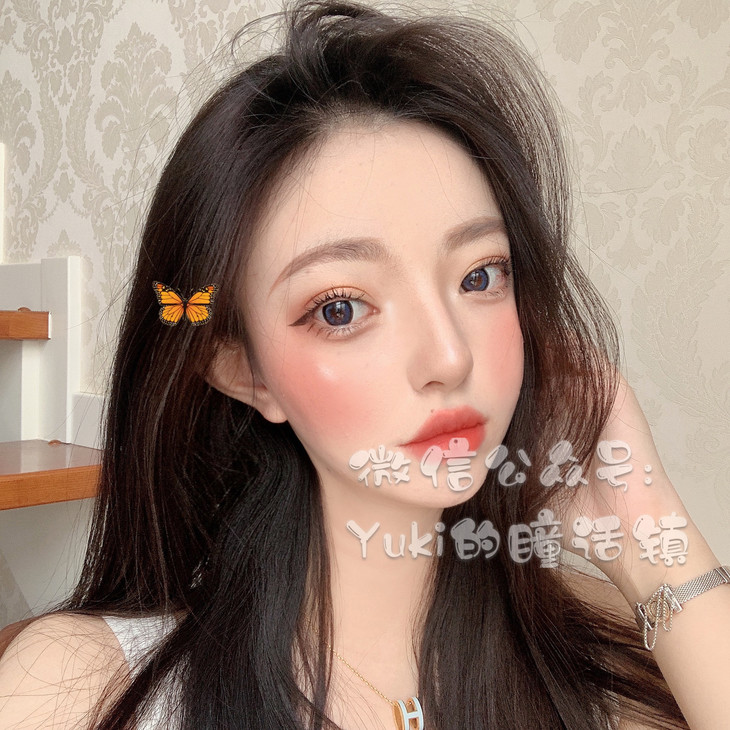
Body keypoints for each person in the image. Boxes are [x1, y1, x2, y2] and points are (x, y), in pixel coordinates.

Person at [0, 1, 727, 728]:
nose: (449, 356)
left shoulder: (620, 653)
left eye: (480, 276)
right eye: (342, 309)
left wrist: (646, 539)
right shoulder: (86, 689)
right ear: (244, 371)